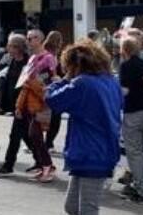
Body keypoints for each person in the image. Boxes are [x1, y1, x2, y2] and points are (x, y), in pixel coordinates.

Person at [46, 39, 123, 215]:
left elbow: (53, 100)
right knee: (72, 207)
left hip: (90, 152)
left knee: (87, 209)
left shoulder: (82, 83)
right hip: (99, 149)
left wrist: (62, 80)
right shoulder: (111, 81)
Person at [15, 29, 57, 182]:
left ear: (40, 39)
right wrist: (20, 105)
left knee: (35, 134)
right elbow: (26, 81)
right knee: (33, 136)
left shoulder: (48, 58)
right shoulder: (32, 58)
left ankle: (48, 165)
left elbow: (48, 82)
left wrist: (32, 83)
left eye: (32, 38)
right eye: (28, 38)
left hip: (42, 102)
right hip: (29, 101)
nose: (28, 41)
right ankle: (43, 165)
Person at [0, 34, 36, 176]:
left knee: (15, 136)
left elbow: (28, 85)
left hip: (23, 105)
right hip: (14, 105)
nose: (7, 48)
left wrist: (20, 105)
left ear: (17, 48)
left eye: (10, 45)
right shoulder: (11, 61)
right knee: (25, 135)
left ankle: (8, 165)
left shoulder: (28, 63)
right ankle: (42, 160)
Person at [118, 37, 143, 203]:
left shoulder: (125, 66)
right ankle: (135, 185)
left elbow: (124, 90)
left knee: (134, 154)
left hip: (133, 112)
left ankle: (141, 191)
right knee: (140, 152)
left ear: (124, 49)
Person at [43, 31, 64, 152]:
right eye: (60, 40)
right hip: (52, 89)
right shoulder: (51, 56)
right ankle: (48, 143)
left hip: (45, 88)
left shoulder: (44, 53)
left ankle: (44, 142)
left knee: (43, 117)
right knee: (55, 119)